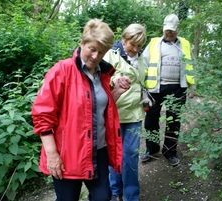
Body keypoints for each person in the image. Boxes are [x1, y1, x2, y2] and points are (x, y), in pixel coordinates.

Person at [31, 18, 129, 201]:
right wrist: (52, 155)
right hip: (68, 153)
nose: (95, 56)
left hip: (98, 150)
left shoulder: (104, 74)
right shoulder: (62, 71)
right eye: (92, 49)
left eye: (101, 52)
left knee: (103, 197)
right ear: (82, 43)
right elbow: (42, 115)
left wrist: (115, 94)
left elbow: (95, 109)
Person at [140, 14, 196, 166]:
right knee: (150, 120)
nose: (169, 33)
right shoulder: (153, 43)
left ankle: (170, 151)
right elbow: (143, 64)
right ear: (162, 29)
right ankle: (151, 149)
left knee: (174, 122)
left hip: (178, 89)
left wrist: (193, 87)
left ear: (178, 29)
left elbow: (192, 66)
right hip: (154, 89)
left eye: (172, 31)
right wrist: (139, 86)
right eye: (167, 30)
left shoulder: (185, 44)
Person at [103, 24, 147, 201]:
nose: (135, 49)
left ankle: (131, 196)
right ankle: (115, 190)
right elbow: (102, 79)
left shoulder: (141, 57)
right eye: (132, 45)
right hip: (116, 113)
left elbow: (141, 80)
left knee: (131, 155)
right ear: (123, 39)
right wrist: (116, 80)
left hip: (135, 114)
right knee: (115, 154)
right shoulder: (110, 55)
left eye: (139, 45)